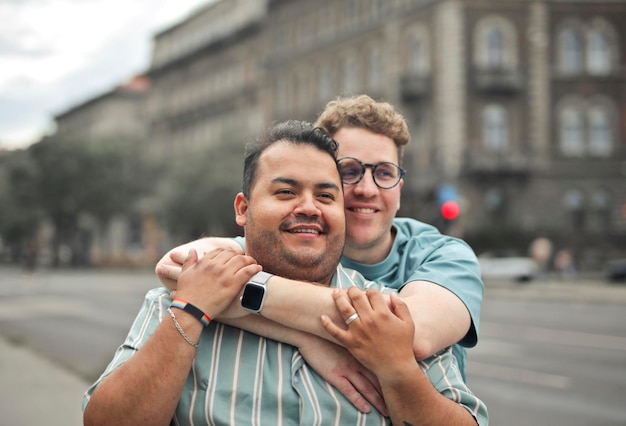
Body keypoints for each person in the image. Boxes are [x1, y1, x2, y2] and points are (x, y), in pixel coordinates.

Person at [83, 121, 487, 425]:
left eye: (326, 195)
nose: (309, 207)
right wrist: (191, 312)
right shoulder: (181, 299)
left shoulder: (389, 312)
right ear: (243, 209)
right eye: (286, 192)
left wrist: (397, 371)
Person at [156, 95, 483, 392]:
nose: (367, 188)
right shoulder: (292, 244)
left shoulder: (443, 254)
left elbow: (412, 335)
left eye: (384, 173)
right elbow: (175, 266)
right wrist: (304, 335)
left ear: (400, 186)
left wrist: (298, 326)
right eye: (349, 171)